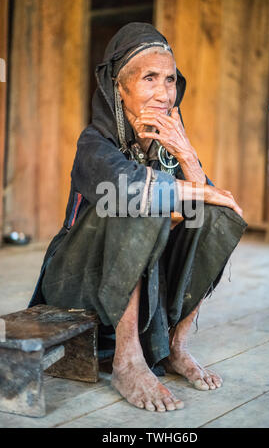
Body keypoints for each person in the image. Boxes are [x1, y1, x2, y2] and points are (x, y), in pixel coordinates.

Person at [29, 22, 247, 412]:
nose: (164, 93)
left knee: (216, 217)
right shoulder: (93, 144)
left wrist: (187, 155)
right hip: (77, 282)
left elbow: (207, 206)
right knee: (133, 198)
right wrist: (196, 190)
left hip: (143, 285)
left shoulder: (167, 147)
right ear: (119, 88)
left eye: (169, 80)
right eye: (150, 78)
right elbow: (133, 189)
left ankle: (176, 346)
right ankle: (128, 358)